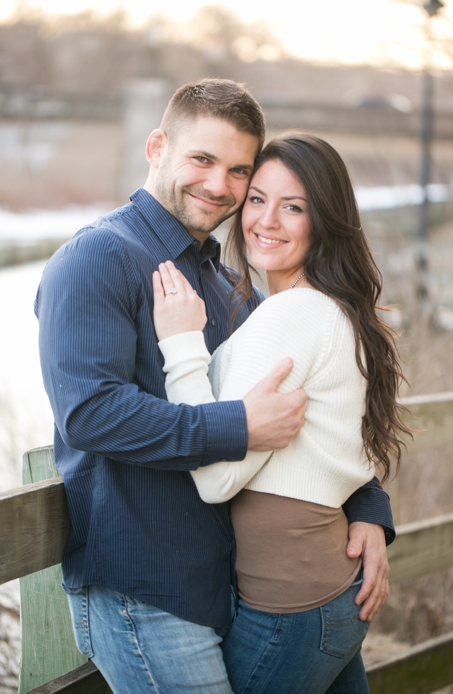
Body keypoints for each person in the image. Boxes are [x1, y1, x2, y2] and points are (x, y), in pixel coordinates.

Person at [34, 79, 396, 693]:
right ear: (157, 147)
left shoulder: (232, 285)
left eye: (237, 171)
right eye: (202, 160)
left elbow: (313, 407)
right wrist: (237, 426)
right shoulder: (94, 259)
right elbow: (91, 412)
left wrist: (365, 507)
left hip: (225, 581)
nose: (219, 186)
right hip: (144, 587)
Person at [152, 132, 410, 693]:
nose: (266, 220)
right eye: (258, 200)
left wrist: (181, 344)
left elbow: (218, 478)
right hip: (326, 596)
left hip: (291, 607)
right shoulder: (333, 309)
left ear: (326, 220)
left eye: (293, 207)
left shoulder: (293, 315)